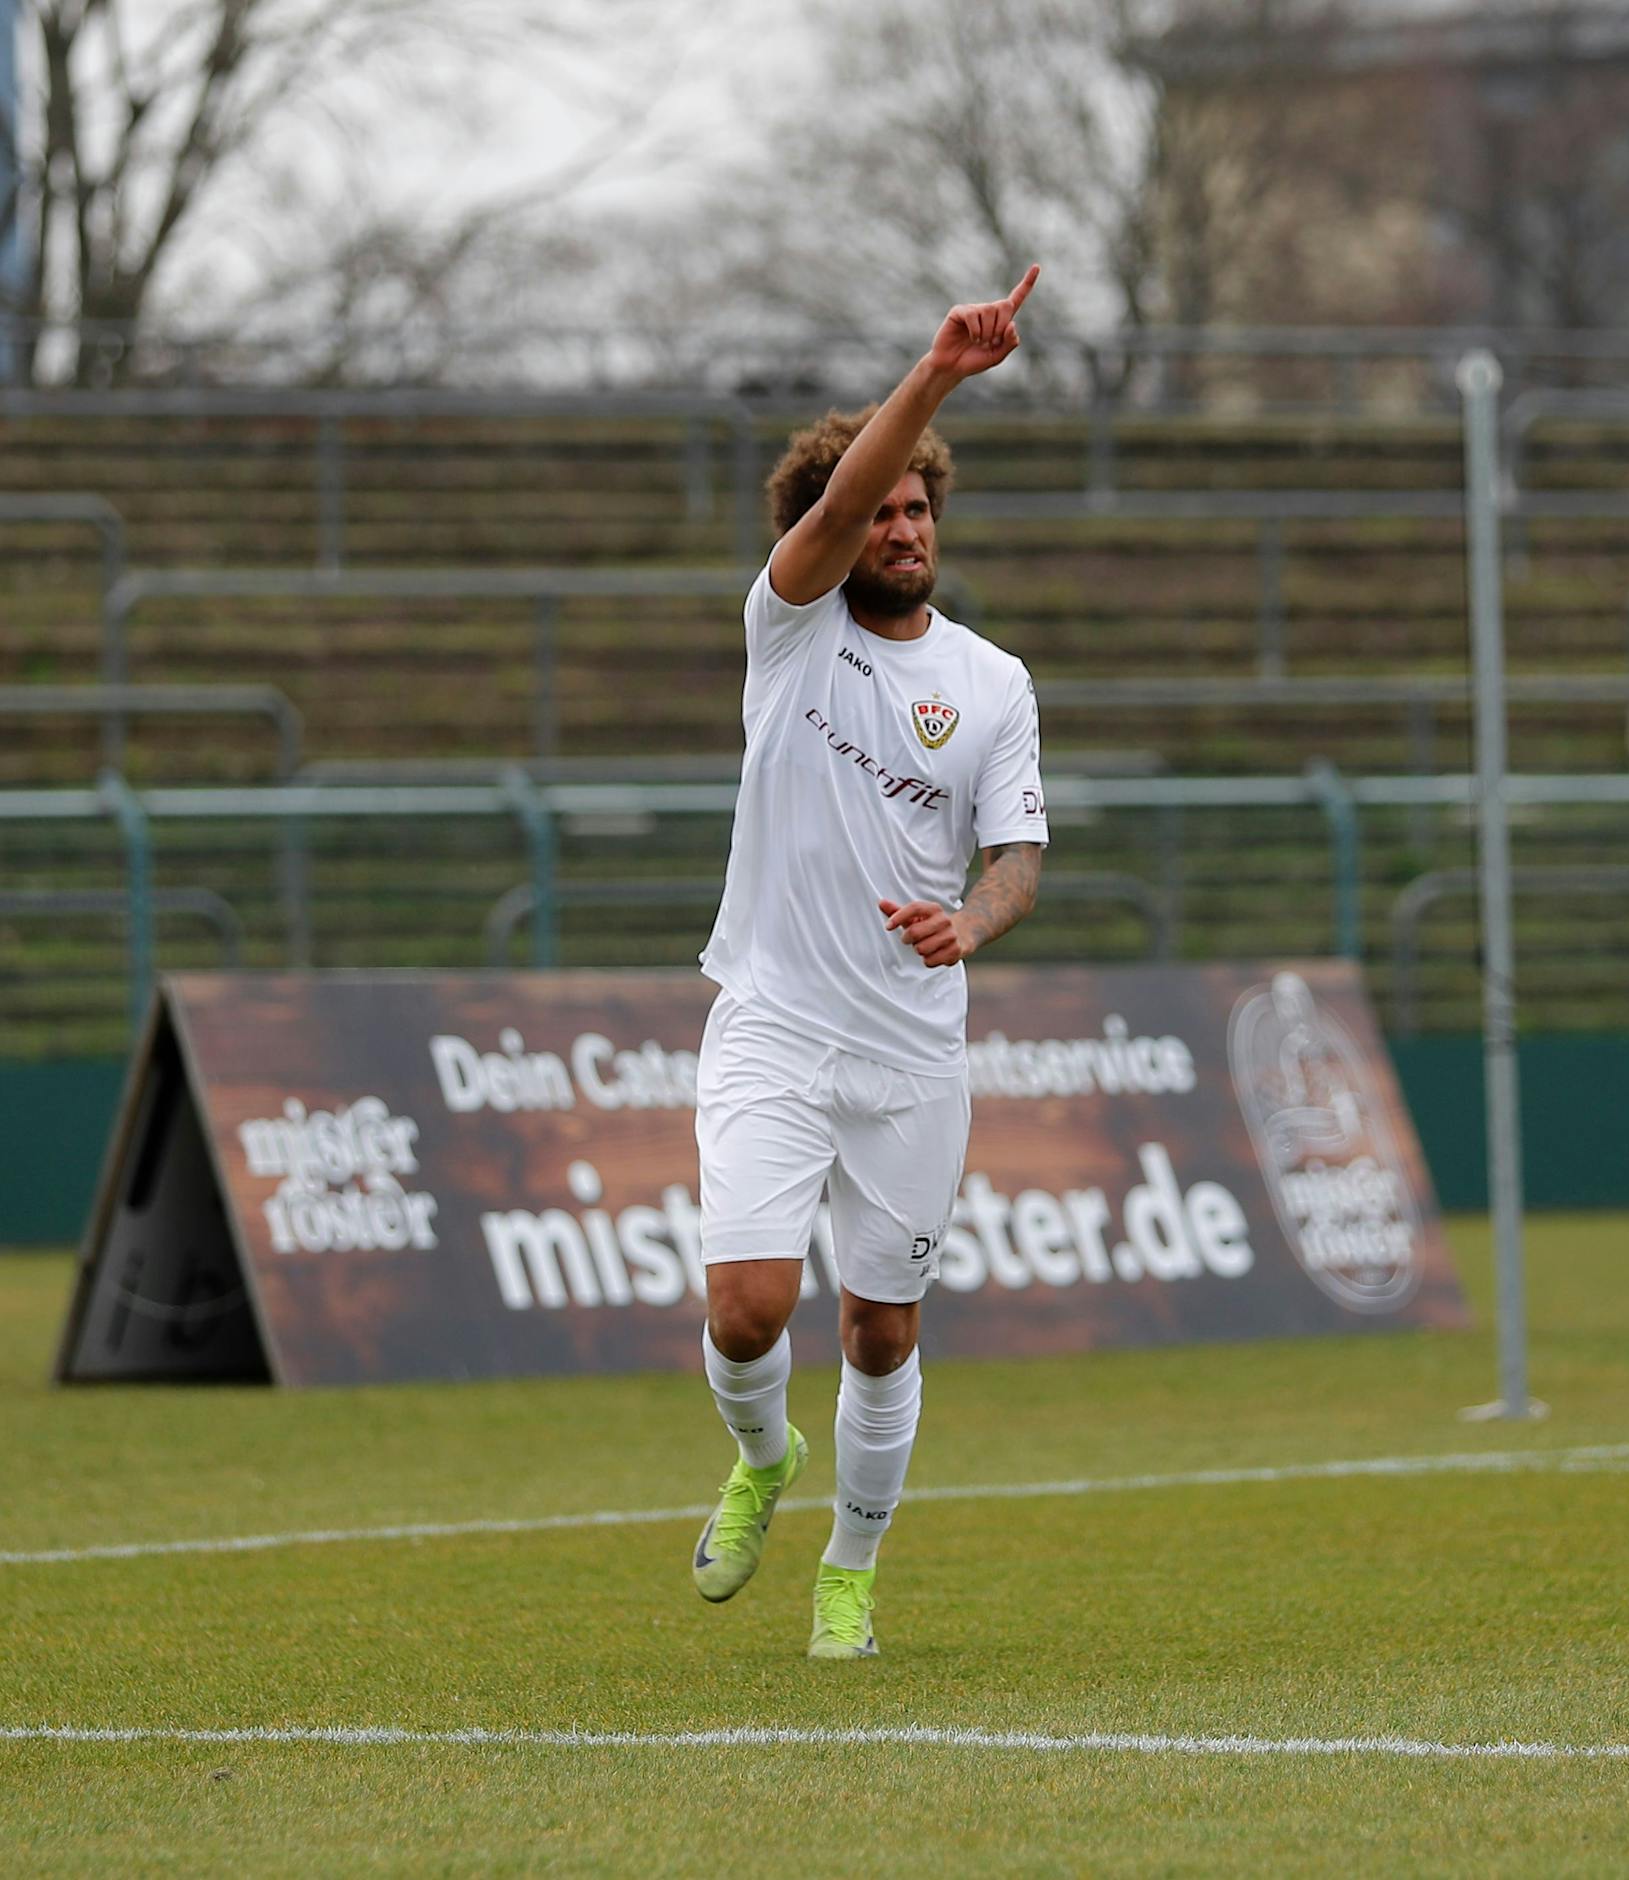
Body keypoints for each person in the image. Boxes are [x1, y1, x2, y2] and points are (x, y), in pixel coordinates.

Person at [691, 266, 1050, 1660]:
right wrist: (941, 371)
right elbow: (836, 505)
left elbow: (1018, 855)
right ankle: (764, 1458)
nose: (898, 525)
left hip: (910, 1048)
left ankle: (849, 1567)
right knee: (746, 1310)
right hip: (775, 1020)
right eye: (878, 508)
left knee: (883, 1332)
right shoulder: (788, 635)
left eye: (917, 508)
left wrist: (973, 920)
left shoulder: (995, 684)